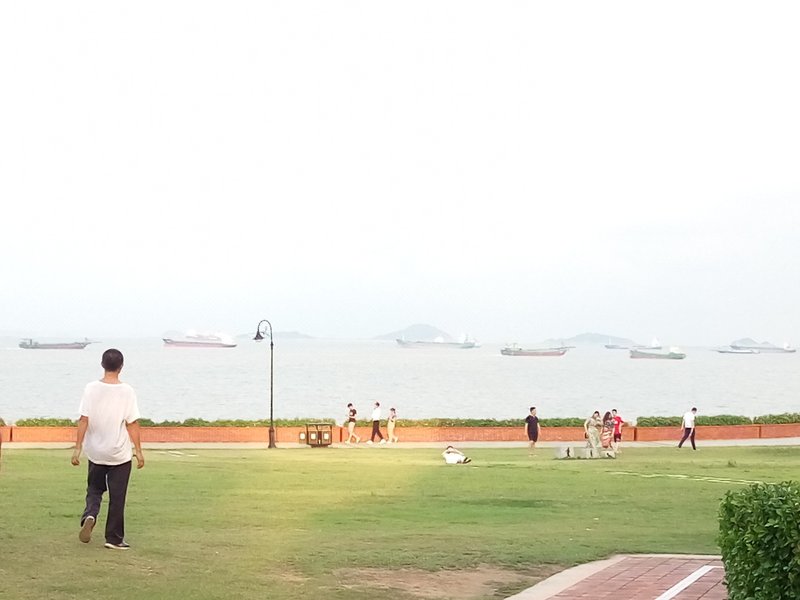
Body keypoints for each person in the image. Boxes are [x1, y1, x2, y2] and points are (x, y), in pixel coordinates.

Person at [71, 348, 144, 550]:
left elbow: (83, 419)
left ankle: (90, 515)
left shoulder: (91, 388)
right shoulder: (127, 391)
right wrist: (138, 451)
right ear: (121, 367)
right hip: (119, 453)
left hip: (95, 451)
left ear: (102, 364)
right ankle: (114, 538)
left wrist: (77, 448)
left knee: (94, 489)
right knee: (117, 496)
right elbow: (132, 423)